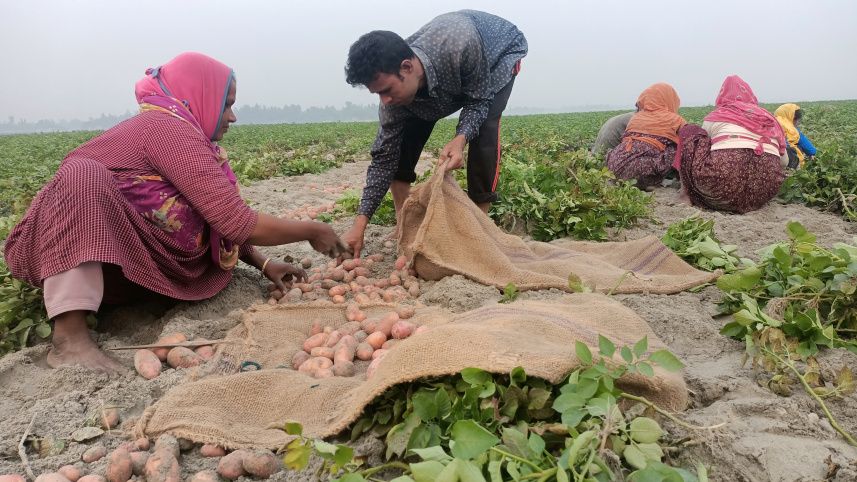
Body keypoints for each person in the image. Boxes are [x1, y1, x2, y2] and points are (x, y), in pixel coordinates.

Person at [2, 53, 347, 373]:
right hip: (68, 250)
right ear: (201, 96)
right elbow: (236, 221)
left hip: (122, 265)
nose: (232, 116)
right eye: (226, 105)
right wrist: (312, 230)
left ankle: (123, 302)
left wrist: (264, 264)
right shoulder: (167, 129)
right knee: (82, 176)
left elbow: (215, 213)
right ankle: (69, 338)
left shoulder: (187, 137)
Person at [341, 10, 528, 257]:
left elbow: (479, 100)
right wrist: (360, 224)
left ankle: (479, 223)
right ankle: (403, 222)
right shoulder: (393, 98)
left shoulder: (459, 45)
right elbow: (384, 159)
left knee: (483, 128)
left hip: (496, 56)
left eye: (387, 90)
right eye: (377, 94)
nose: (384, 99)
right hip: (442, 76)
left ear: (406, 68)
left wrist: (460, 139)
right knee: (403, 135)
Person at [675, 75, 787, 213]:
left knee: (689, 131)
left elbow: (702, 150)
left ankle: (684, 195)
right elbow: (784, 162)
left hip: (721, 189)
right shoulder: (769, 118)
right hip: (762, 193)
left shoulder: (716, 116)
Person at [606, 83, 686, 189]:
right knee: (679, 147)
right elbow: (685, 143)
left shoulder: (636, 117)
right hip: (639, 172)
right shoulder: (675, 119)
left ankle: (634, 180)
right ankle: (648, 183)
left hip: (614, 169)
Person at [775, 103, 817, 167]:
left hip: (764, 157)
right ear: (793, 119)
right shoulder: (793, 131)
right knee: (798, 148)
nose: (798, 124)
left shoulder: (767, 125)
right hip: (784, 159)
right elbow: (812, 151)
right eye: (798, 121)